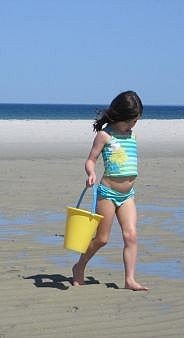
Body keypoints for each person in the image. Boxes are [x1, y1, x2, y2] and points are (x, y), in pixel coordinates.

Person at [72, 90, 148, 291]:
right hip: (107, 193)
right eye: (130, 121)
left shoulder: (130, 134)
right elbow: (91, 160)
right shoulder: (104, 135)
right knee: (101, 239)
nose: (133, 125)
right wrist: (91, 173)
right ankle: (79, 267)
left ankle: (129, 279)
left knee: (131, 235)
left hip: (128, 195)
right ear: (120, 115)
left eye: (135, 121)